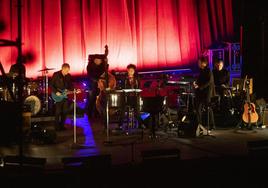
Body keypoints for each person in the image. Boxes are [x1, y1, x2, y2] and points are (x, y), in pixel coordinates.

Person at [193, 57, 216, 135]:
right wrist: (195, 83)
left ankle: (212, 125)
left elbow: (209, 81)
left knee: (208, 108)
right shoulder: (201, 70)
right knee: (198, 107)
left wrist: (200, 87)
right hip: (200, 92)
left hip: (207, 92)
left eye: (199, 62)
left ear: (204, 63)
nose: (198, 64)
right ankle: (199, 124)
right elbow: (199, 80)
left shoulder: (208, 70)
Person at [118, 64, 142, 130]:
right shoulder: (124, 78)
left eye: (132, 70)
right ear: (127, 70)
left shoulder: (137, 79)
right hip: (126, 97)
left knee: (137, 110)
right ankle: (120, 125)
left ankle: (140, 124)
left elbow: (139, 87)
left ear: (134, 71)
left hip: (134, 97)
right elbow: (121, 87)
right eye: (130, 70)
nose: (131, 72)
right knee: (122, 110)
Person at [50, 63, 73, 131]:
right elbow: (51, 85)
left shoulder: (68, 76)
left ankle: (62, 125)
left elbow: (70, 86)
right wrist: (56, 92)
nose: (67, 72)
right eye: (66, 70)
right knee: (58, 111)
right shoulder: (56, 74)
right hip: (57, 95)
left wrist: (73, 90)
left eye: (68, 70)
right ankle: (56, 127)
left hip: (64, 95)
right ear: (62, 69)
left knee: (65, 111)